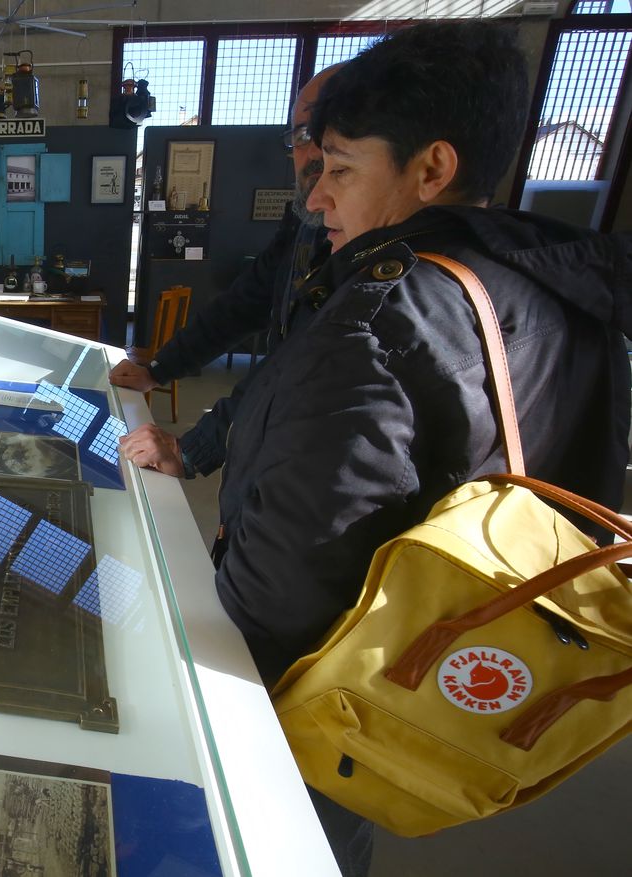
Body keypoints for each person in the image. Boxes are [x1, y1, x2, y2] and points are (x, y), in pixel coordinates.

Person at [121, 20, 630, 875]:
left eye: (341, 169)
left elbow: (281, 590)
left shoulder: (379, 317)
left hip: (324, 687)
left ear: (430, 167)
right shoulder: (555, 284)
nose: (317, 197)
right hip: (432, 664)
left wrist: (185, 690)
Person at [109, 64, 341, 477]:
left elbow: (293, 374)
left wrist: (194, 450)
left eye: (326, 132)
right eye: (301, 136)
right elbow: (242, 305)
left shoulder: (400, 279)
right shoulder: (304, 222)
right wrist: (158, 369)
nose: (312, 155)